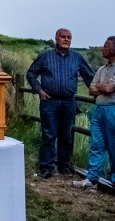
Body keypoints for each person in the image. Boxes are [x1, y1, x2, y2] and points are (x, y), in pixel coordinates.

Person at [26, 28, 94, 178]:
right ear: (56, 38)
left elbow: (89, 77)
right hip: (49, 101)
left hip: (68, 102)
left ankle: (64, 165)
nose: (66, 39)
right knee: (49, 134)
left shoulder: (77, 57)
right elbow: (31, 73)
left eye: (69, 37)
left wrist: (98, 93)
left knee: (66, 135)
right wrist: (39, 90)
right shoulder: (45, 56)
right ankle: (46, 167)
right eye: (63, 37)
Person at [73, 36, 115, 189]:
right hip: (99, 110)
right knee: (96, 144)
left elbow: (109, 89)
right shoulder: (103, 69)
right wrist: (104, 87)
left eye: (105, 46)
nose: (102, 48)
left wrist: (102, 88)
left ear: (114, 49)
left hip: (113, 110)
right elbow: (91, 89)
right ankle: (92, 178)